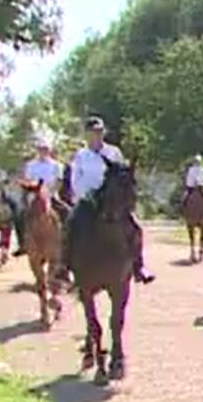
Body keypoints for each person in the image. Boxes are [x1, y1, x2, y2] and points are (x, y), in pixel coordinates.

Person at [59, 116, 153, 285]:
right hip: (89, 201)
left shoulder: (114, 152)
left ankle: (139, 266)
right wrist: (87, 195)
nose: (97, 135)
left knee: (135, 227)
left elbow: (124, 174)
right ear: (87, 134)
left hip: (112, 199)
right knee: (70, 226)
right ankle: (64, 267)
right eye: (93, 132)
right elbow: (75, 180)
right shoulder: (81, 156)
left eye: (100, 131)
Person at [14, 137, 65, 255]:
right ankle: (23, 243)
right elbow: (28, 180)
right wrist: (32, 190)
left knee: (67, 212)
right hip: (34, 195)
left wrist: (49, 193)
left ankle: (66, 242)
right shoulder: (31, 165)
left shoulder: (56, 165)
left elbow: (59, 182)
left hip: (51, 195)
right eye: (41, 149)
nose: (43, 152)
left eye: (45, 149)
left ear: (49, 150)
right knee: (20, 214)